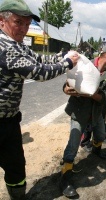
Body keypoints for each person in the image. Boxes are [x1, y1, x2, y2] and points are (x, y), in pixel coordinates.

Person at [0, 0, 79, 199]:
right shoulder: (5, 46)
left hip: (9, 120)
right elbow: (39, 72)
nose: (24, 29)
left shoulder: (17, 45)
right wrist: (68, 63)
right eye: (19, 23)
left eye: (27, 24)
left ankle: (17, 196)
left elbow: (40, 59)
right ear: (2, 20)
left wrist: (62, 55)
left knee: (16, 166)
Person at [60, 44, 106, 197]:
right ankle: (65, 179)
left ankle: (96, 150)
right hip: (80, 112)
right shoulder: (84, 64)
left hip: (96, 113)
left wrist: (90, 93)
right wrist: (66, 89)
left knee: (101, 135)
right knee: (73, 145)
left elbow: (105, 98)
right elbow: (68, 81)